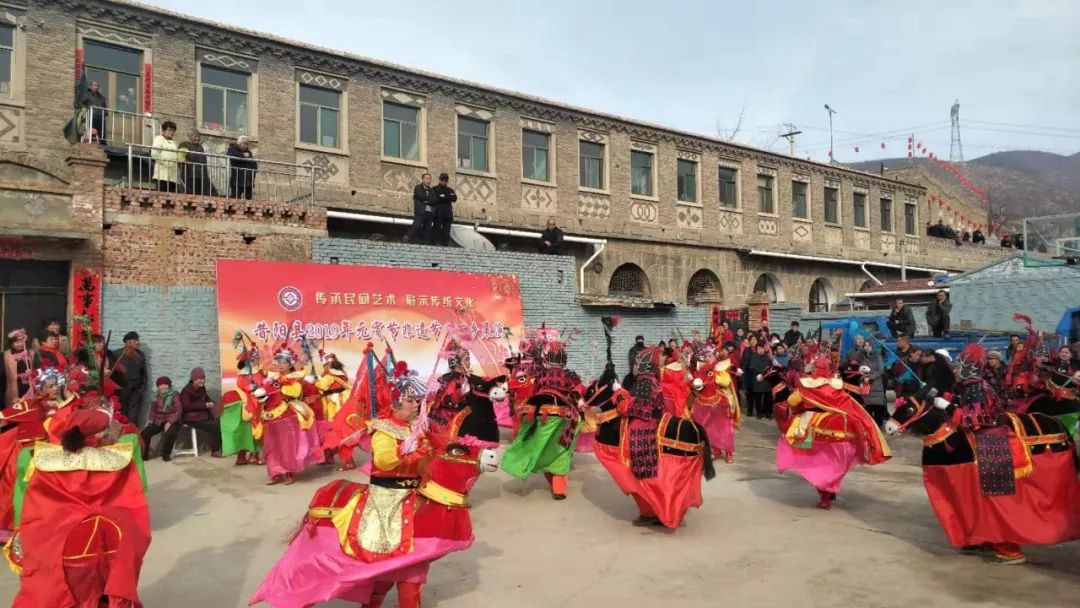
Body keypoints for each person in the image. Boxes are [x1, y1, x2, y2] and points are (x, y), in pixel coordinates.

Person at [140, 376, 182, 460]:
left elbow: (179, 410)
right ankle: (144, 455)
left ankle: (166, 454)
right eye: (160, 385)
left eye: (165, 384)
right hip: (159, 420)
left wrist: (170, 422)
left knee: (171, 433)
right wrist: (151, 419)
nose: (162, 387)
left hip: (172, 419)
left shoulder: (175, 394)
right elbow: (153, 409)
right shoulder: (156, 395)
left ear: (169, 385)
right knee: (144, 433)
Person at [112, 331, 148, 424]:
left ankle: (132, 435)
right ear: (128, 342)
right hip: (121, 390)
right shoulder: (116, 354)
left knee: (133, 416)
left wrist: (142, 389)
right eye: (135, 340)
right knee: (121, 413)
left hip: (136, 390)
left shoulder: (140, 354)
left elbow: (144, 373)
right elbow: (112, 373)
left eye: (137, 340)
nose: (137, 342)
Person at [854, 341, 886, 427]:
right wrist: (863, 378)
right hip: (865, 385)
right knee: (867, 408)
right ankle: (869, 428)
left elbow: (880, 370)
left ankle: (878, 428)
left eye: (869, 345)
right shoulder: (862, 357)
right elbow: (859, 369)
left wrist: (871, 378)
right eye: (865, 345)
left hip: (876, 384)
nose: (867, 347)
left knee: (877, 407)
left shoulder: (877, 356)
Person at [177, 128, 218, 196]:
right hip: (189, 175)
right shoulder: (184, 144)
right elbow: (179, 157)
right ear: (189, 136)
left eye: (199, 137)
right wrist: (181, 159)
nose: (197, 138)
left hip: (202, 175)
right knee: (191, 194)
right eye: (195, 136)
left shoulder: (200, 147)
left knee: (202, 194)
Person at [3, 329, 33, 407]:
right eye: (17, 342)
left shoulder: (31, 353)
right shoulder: (6, 355)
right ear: (12, 344)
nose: (20, 344)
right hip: (13, 388)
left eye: (22, 342)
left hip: (29, 388)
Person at [150, 120, 180, 192]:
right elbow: (154, 154)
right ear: (164, 130)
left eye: (173, 130)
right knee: (162, 194)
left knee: (171, 195)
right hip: (162, 173)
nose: (171, 132)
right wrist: (166, 162)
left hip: (172, 174)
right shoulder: (159, 139)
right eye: (169, 130)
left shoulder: (174, 143)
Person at [746, 341, 772, 419]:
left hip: (767, 380)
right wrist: (763, 371)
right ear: (756, 350)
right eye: (759, 349)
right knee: (758, 398)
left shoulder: (767, 356)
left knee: (767, 398)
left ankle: (767, 412)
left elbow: (770, 366)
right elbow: (753, 366)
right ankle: (759, 413)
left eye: (762, 348)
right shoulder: (753, 357)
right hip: (758, 380)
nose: (761, 350)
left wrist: (767, 371)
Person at [429, 172, 457, 246]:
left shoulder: (450, 190)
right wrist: (447, 197)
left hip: (447, 215)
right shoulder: (434, 189)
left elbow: (454, 199)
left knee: (446, 233)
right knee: (435, 230)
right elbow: (434, 199)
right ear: (440, 180)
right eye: (442, 180)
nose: (444, 182)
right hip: (437, 214)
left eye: (445, 180)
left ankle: (445, 248)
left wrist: (444, 197)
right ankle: (432, 247)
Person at [405, 172, 433, 243]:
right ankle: (406, 238)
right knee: (416, 226)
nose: (428, 181)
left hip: (429, 212)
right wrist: (428, 199)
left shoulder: (431, 190)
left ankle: (423, 243)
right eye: (426, 179)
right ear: (423, 179)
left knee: (427, 229)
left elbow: (435, 199)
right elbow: (420, 195)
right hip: (420, 211)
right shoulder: (418, 187)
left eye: (429, 179)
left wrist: (427, 201)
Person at [79, 80, 108, 144]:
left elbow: (105, 108)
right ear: (90, 86)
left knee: (101, 133)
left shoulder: (102, 97)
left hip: (100, 117)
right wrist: (85, 109)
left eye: (97, 86)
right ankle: (92, 142)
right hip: (91, 116)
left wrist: (105, 113)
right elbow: (81, 103)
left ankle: (102, 143)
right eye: (94, 85)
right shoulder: (87, 95)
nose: (96, 87)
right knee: (92, 131)